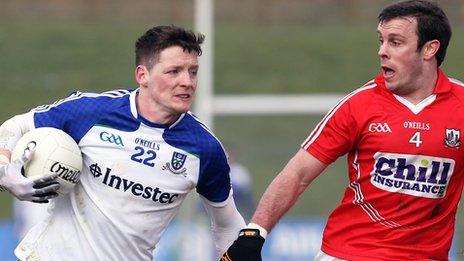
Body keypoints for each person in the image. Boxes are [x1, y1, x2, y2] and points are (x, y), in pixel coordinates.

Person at [222, 1, 463, 260]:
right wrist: (255, 233)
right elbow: (298, 172)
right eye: (381, 41)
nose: (382, 51)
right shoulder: (358, 105)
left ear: (429, 49)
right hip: (350, 252)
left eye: (395, 42)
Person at [0, 25, 245, 260]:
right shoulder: (91, 111)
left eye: (193, 71)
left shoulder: (204, 148)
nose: (187, 82)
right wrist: (5, 173)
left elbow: (228, 226)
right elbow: (16, 126)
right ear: (142, 75)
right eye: (174, 71)